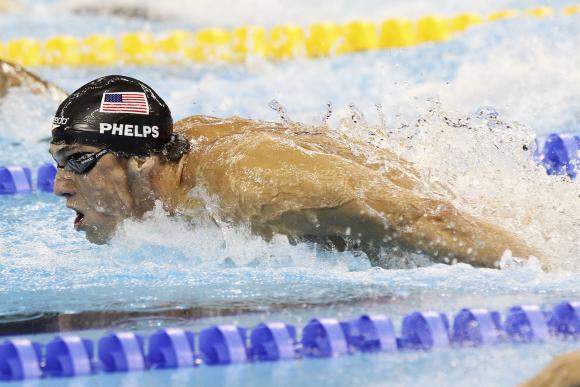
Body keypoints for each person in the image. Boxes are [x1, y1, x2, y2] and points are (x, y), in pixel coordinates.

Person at [49, 75, 547, 269]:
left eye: (78, 162)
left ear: (139, 160)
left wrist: (552, 276)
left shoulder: (249, 189)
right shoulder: (178, 146)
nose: (59, 186)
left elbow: (428, 217)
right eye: (58, 162)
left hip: (465, 223)